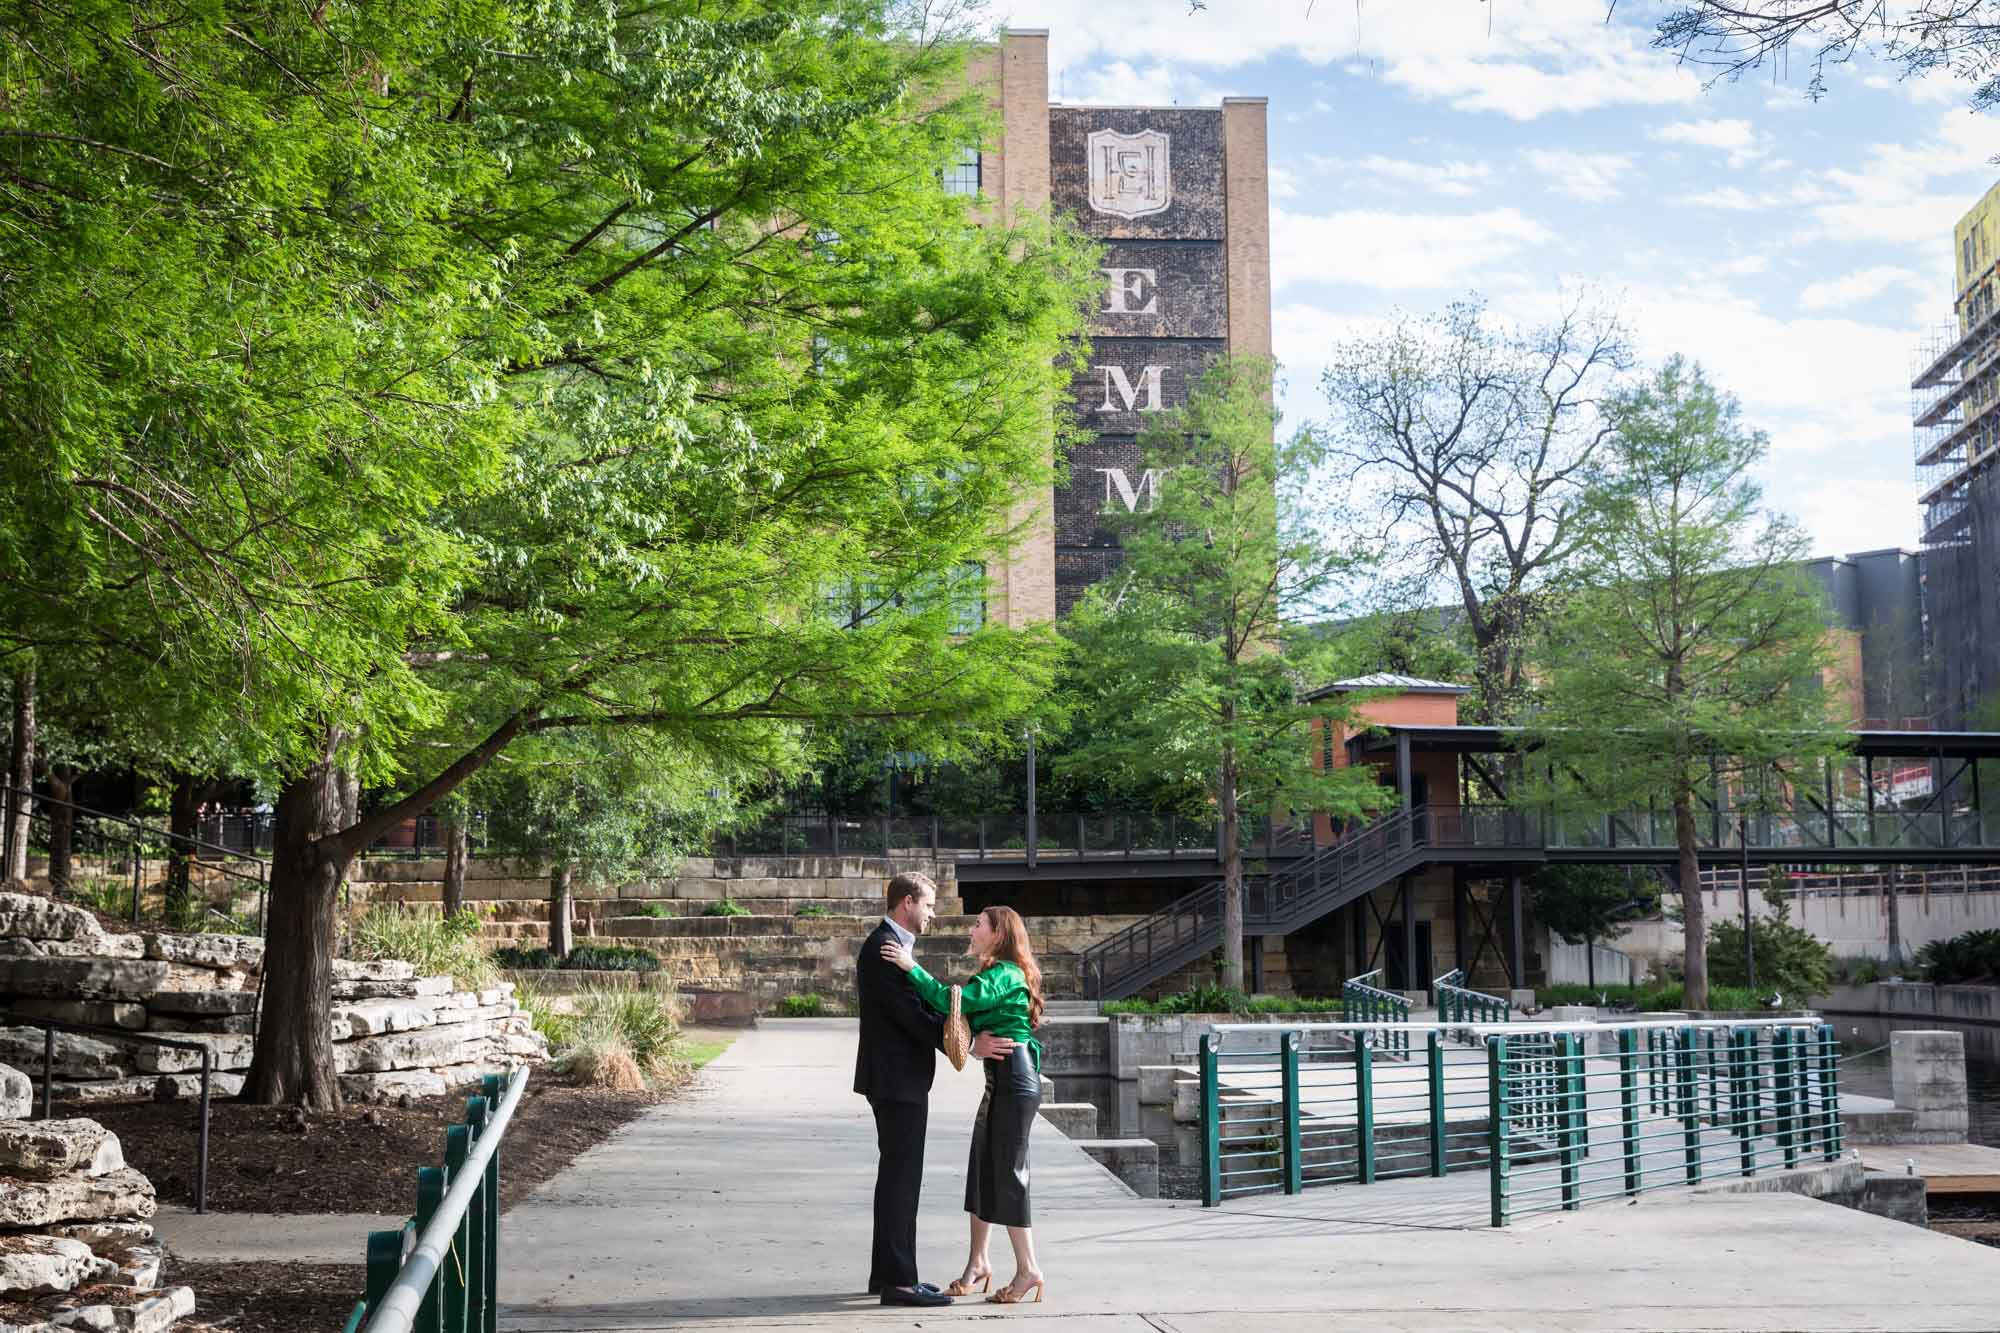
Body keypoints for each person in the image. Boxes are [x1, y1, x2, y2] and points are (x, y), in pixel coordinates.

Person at [853, 871, 1010, 1308]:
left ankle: (889, 1274)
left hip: (897, 1079)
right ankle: (898, 1282)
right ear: (907, 902)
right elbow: (911, 1015)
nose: (933, 914)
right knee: (901, 1180)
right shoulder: (885, 947)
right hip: (895, 1080)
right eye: (928, 905)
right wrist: (963, 1043)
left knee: (898, 1178)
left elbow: (921, 1005)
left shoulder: (895, 946)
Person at [880, 904, 1047, 1306]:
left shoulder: (1005, 973)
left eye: (978, 925)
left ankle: (1028, 1270)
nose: (971, 930)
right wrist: (975, 1048)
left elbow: (951, 1001)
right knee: (982, 1170)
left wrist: (909, 966)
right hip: (1001, 1080)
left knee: (1008, 1174)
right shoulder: (998, 972)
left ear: (998, 934)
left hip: (1015, 1081)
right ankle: (979, 1262)